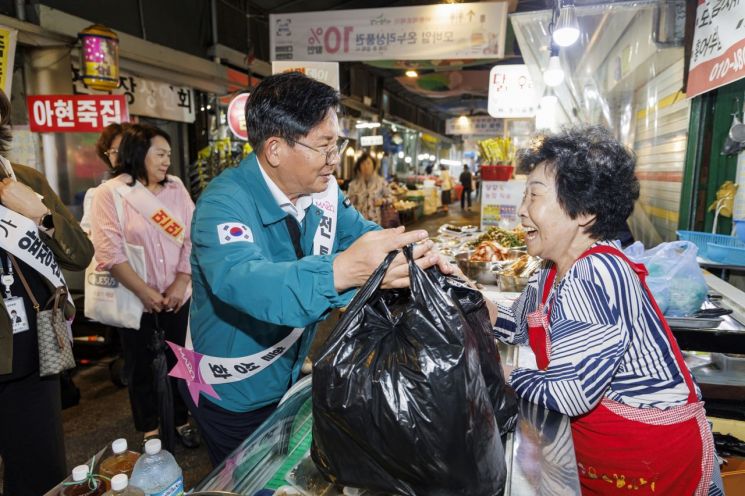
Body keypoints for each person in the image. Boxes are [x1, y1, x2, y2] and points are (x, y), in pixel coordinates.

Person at [187, 71, 450, 466]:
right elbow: (247, 283)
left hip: (290, 373)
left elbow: (364, 235)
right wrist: (341, 271)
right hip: (233, 390)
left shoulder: (321, 190)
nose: (335, 160)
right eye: (325, 147)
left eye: (337, 145)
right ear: (275, 149)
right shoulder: (223, 203)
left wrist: (420, 254)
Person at [490, 126, 721, 495]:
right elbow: (516, 325)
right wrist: (458, 293)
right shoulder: (553, 270)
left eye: (534, 196)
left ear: (584, 211)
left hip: (651, 456)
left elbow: (571, 392)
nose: (520, 211)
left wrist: (499, 372)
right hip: (612, 454)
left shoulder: (596, 272)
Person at [0, 89, 94, 495]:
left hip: (34, 353)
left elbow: (80, 254)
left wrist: (38, 212)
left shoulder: (24, 179)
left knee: (41, 475)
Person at [90, 123, 199, 450]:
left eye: (168, 154)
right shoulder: (110, 193)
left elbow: (193, 237)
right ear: (138, 154)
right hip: (134, 298)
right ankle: (149, 426)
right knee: (139, 364)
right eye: (160, 154)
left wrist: (181, 282)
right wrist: (145, 293)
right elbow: (110, 252)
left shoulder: (176, 187)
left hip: (179, 296)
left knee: (183, 359)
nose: (168, 161)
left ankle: (183, 418)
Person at [346, 151, 393, 224]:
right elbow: (346, 203)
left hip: (376, 223)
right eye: (363, 164)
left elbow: (391, 198)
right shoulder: (353, 184)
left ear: (374, 165)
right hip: (359, 223)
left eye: (368, 163)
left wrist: (382, 201)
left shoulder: (381, 182)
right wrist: (350, 200)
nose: (366, 166)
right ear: (359, 167)